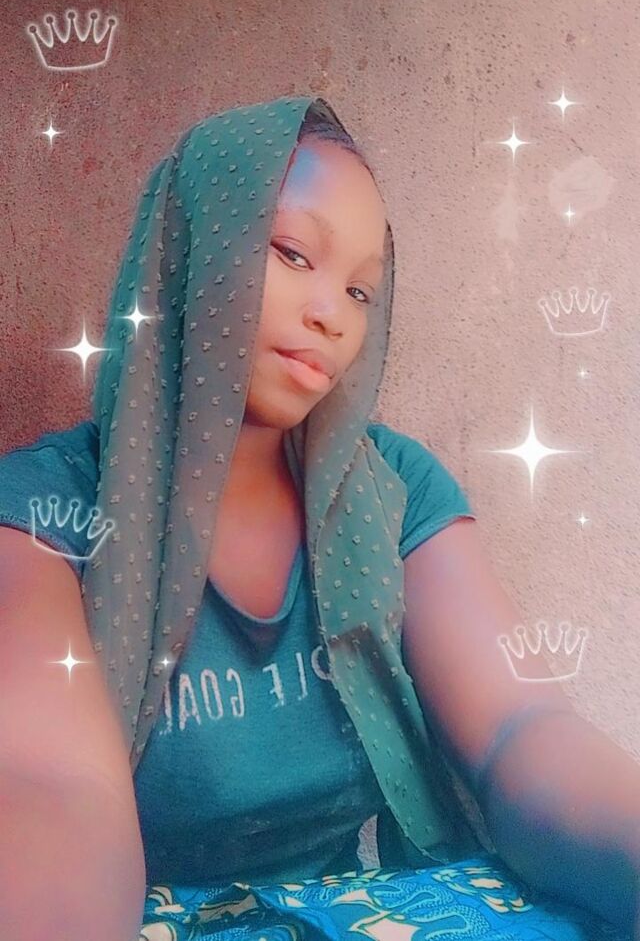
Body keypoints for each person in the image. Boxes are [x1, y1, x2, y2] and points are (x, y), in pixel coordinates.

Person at [1, 94, 639, 941]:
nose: (331, 314)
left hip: (359, 916)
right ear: (189, 249)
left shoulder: (395, 492)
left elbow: (522, 730)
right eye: (293, 252)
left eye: (361, 289)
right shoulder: (45, 512)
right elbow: (50, 787)